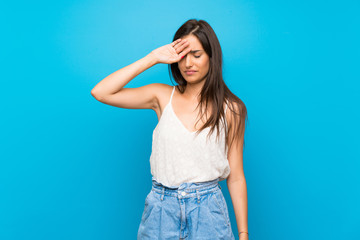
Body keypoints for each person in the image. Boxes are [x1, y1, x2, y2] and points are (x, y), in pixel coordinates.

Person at [91, 19, 248, 240]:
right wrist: (153, 58)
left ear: (212, 57)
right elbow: (101, 92)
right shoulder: (161, 95)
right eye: (182, 56)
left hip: (208, 212)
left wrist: (243, 233)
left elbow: (236, 177)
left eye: (197, 54)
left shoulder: (231, 109)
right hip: (161, 211)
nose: (188, 64)